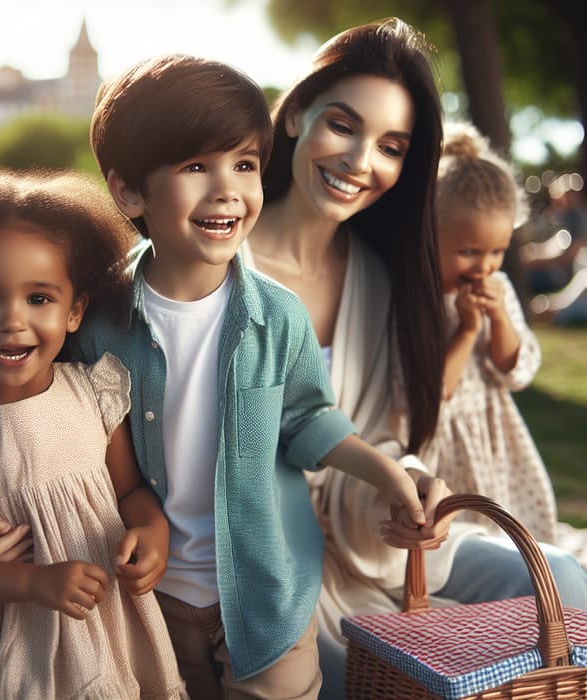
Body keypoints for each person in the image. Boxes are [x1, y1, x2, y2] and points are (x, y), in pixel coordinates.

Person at [71, 54, 450, 700]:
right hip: (146, 599)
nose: (228, 190)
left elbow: (308, 420)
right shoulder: (97, 317)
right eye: (197, 166)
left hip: (266, 592)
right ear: (130, 191)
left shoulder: (279, 315)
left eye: (244, 164)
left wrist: (390, 474)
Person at [239, 18, 587, 699]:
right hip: (271, 565)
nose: (361, 161)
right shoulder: (219, 264)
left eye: (392, 146)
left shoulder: (379, 274)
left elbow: (390, 433)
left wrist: (407, 484)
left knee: (560, 585)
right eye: (343, 125)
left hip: (378, 542)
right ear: (295, 116)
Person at [0, 168, 187, 699]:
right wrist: (32, 582)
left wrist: (152, 532)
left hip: (98, 621)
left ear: (75, 311)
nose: (12, 321)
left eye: (39, 299)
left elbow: (131, 492)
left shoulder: (96, 394)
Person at [423, 121, 559, 543]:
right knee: (464, 537)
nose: (484, 266)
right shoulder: (423, 300)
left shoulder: (499, 291)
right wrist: (465, 331)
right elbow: (433, 394)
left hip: (495, 436)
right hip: (445, 448)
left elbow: (513, 370)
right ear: (431, 235)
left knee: (511, 534)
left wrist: (498, 320)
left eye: (497, 252)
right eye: (469, 252)